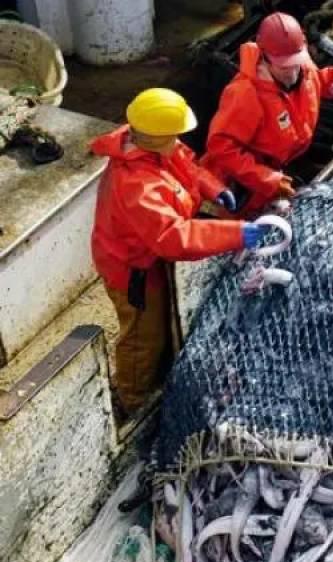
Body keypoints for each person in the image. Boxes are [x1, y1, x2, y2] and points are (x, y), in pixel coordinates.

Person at [91, 88, 267, 418]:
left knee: (156, 330)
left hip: (149, 256)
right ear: (158, 136)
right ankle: (133, 401)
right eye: (175, 133)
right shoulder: (136, 186)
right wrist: (236, 233)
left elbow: (189, 168)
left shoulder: (153, 145)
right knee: (143, 337)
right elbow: (173, 237)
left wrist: (215, 189)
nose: (180, 138)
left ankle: (151, 379)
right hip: (132, 269)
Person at [201, 12, 333, 215]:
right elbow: (221, 149)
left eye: (296, 62)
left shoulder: (302, 66)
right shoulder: (244, 95)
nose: (292, 73)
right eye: (284, 67)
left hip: (283, 164)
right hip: (240, 187)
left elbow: (313, 80)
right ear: (265, 58)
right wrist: (266, 179)